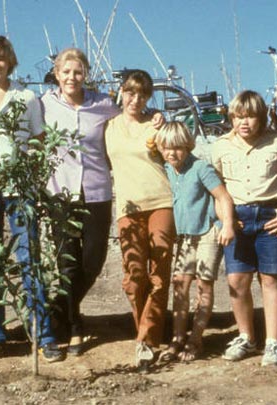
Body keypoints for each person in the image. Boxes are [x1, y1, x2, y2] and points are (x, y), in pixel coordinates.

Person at [41, 48, 160, 356]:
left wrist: (154, 116)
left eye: (78, 72)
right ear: (56, 74)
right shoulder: (44, 105)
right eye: (66, 72)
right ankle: (74, 324)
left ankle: (54, 314)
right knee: (67, 264)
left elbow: (130, 118)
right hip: (60, 193)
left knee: (92, 263)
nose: (72, 77)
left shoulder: (102, 104)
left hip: (96, 193)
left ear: (86, 75)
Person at [0, 35, 63, 362]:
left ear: (10, 61)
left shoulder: (27, 97)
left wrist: (33, 176)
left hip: (21, 190)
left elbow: (40, 140)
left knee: (29, 259)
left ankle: (42, 335)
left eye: (0, 58)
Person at [212, 90, 277, 366]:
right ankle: (246, 337)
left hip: (270, 217)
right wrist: (226, 220)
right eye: (238, 117)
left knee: (270, 278)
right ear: (232, 118)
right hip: (235, 217)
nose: (244, 123)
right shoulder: (220, 146)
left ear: (261, 118)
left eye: (250, 117)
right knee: (237, 280)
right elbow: (216, 188)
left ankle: (272, 342)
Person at [104, 69, 175, 370]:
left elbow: (179, 149)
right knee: (134, 277)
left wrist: (165, 120)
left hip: (161, 202)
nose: (135, 99)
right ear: (121, 91)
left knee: (159, 274)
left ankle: (146, 341)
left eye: (142, 94)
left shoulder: (157, 124)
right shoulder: (108, 126)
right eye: (131, 92)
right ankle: (148, 328)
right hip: (128, 208)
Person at [155, 121, 236, 363]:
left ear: (188, 146)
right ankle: (178, 337)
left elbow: (223, 197)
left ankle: (196, 338)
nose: (173, 153)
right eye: (167, 148)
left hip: (207, 232)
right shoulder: (166, 170)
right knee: (180, 284)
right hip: (184, 237)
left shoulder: (201, 168)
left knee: (204, 285)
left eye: (178, 147)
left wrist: (228, 225)